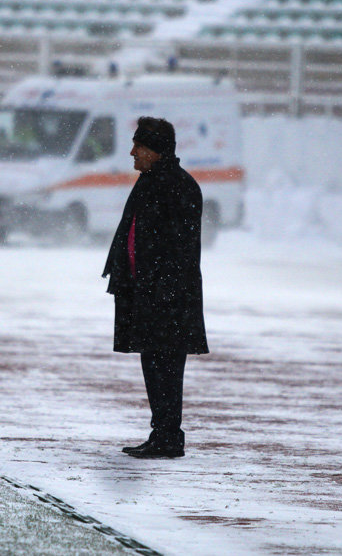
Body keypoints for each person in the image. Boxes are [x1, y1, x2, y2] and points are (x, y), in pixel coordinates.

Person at [102, 116, 208, 459]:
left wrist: (160, 291)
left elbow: (179, 251)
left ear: (157, 150)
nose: (132, 152)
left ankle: (168, 437)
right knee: (153, 363)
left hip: (168, 298)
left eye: (139, 146)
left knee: (166, 367)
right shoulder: (151, 182)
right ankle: (161, 433)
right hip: (149, 294)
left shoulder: (179, 186)